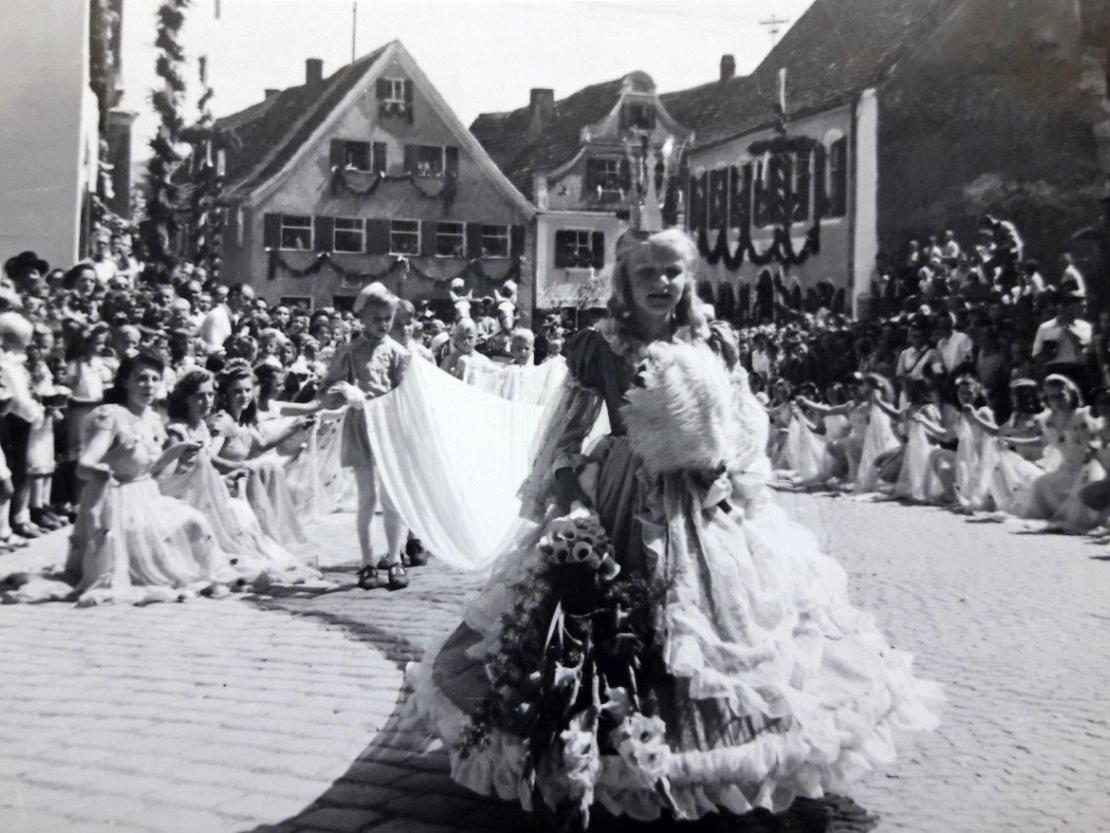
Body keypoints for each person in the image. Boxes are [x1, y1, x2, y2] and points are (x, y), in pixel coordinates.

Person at [408, 228, 940, 826]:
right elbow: (564, 437)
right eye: (647, 273)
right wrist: (573, 500)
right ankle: (603, 746)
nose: (662, 283)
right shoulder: (599, 347)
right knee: (613, 617)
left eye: (673, 272)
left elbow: (740, 426)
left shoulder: (713, 341)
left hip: (699, 503)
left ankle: (703, 761)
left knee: (710, 624)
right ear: (624, 281)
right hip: (621, 494)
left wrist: (726, 471)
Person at [59, 353, 241, 606]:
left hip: (147, 496)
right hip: (115, 503)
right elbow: (84, 466)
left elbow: (149, 469)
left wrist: (176, 451)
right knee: (153, 553)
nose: (149, 385)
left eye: (155, 379)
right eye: (141, 379)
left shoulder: (152, 418)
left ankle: (213, 576)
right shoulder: (111, 416)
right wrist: (100, 472)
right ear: (125, 382)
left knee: (194, 520)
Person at [161, 369, 321, 586]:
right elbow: (195, 464)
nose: (207, 401)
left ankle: (270, 543)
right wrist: (232, 468)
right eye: (200, 396)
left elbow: (261, 444)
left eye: (209, 395)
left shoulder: (212, 424)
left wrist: (295, 427)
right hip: (196, 490)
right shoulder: (213, 423)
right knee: (250, 493)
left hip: (215, 485)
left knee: (264, 475)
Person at [318, 282, 411, 591]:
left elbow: (405, 394)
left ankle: (395, 558)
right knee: (367, 497)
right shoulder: (350, 351)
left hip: (389, 428)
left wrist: (392, 405)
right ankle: (367, 561)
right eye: (376, 319)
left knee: (392, 497)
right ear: (362, 318)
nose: (383, 324)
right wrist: (344, 390)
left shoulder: (397, 352)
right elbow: (325, 392)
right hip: (360, 427)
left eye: (388, 318)